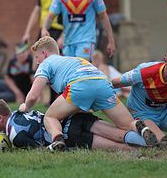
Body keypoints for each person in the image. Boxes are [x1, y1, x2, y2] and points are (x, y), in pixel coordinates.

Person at [18, 36, 157, 151]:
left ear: (44, 53)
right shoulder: (72, 59)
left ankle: (57, 139)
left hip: (80, 84)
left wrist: (26, 107)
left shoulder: (46, 63)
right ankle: (141, 128)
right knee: (127, 124)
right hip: (102, 82)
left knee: (50, 117)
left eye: (37, 57)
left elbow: (33, 96)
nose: (36, 62)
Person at [112, 44, 167, 142]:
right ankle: (155, 133)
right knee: (159, 141)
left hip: (166, 112)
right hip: (142, 114)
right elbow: (114, 83)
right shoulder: (144, 72)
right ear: (166, 60)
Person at [0, 99, 146, 151]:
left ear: (1, 118)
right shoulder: (21, 111)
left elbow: (41, 151)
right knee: (119, 134)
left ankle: (143, 150)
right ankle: (149, 140)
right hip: (74, 118)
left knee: (117, 147)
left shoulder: (16, 136)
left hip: (69, 135)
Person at [41, 0, 115, 61]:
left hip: (86, 40)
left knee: (80, 67)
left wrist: (111, 41)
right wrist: (44, 29)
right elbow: (50, 16)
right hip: (68, 42)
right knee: (71, 72)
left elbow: (103, 17)